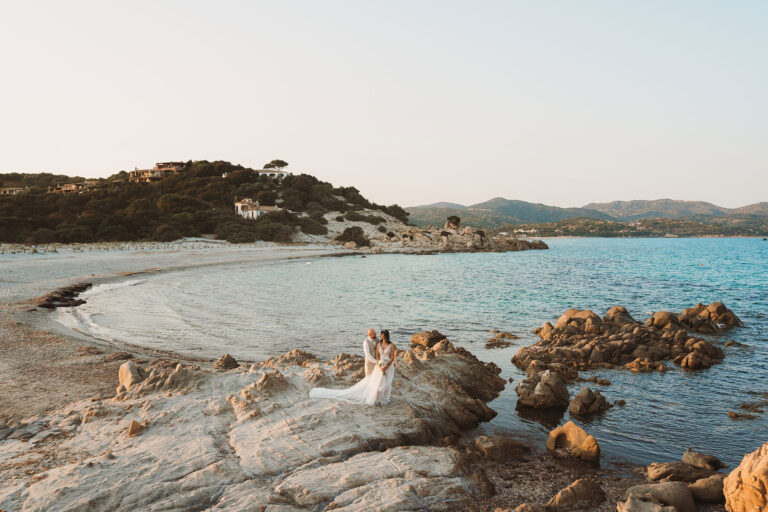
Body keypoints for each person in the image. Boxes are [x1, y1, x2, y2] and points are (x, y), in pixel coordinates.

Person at [309, 329, 397, 406]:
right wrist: (379, 364)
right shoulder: (370, 343)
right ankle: (374, 397)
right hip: (376, 365)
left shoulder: (385, 343)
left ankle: (385, 398)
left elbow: (392, 357)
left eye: (380, 334)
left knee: (386, 383)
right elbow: (372, 355)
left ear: (385, 336)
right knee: (375, 382)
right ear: (370, 334)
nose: (378, 335)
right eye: (375, 333)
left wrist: (386, 365)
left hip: (387, 366)